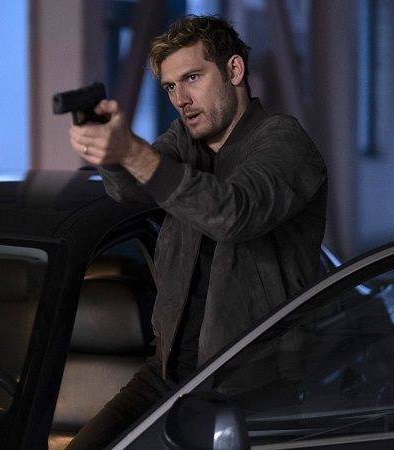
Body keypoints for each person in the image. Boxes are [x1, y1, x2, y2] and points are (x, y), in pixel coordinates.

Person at [66, 14, 328, 448]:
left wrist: (133, 151)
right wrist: (110, 151)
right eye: (170, 87)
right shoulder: (185, 141)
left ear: (234, 70)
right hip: (168, 372)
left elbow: (234, 213)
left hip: (251, 385)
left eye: (192, 78)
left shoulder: (285, 142)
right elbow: (130, 190)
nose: (181, 99)